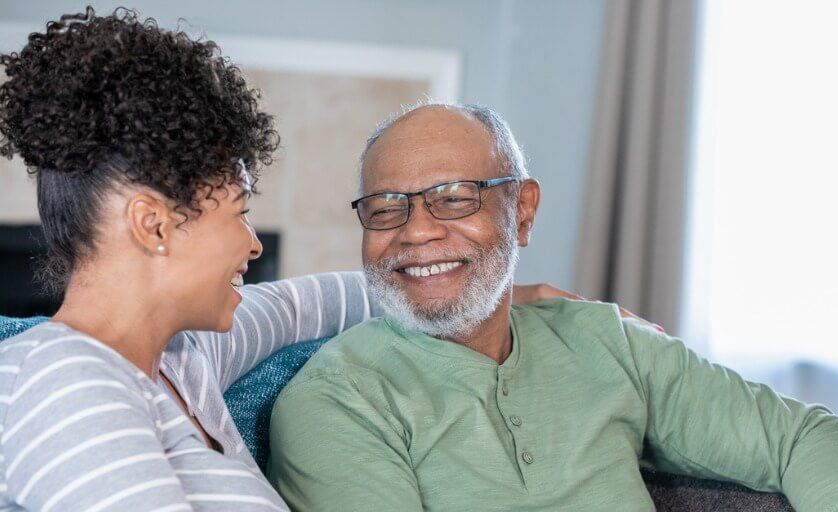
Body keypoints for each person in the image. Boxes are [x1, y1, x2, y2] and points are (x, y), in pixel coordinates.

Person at [0, 9, 575, 511]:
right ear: (154, 225)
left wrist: (490, 292)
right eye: (239, 212)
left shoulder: (183, 359)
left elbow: (315, 303)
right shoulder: (65, 380)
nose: (253, 244)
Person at [267, 103, 838, 512]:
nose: (416, 231)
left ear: (521, 211)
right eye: (386, 208)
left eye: (454, 199)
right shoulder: (336, 401)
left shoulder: (606, 342)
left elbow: (810, 439)